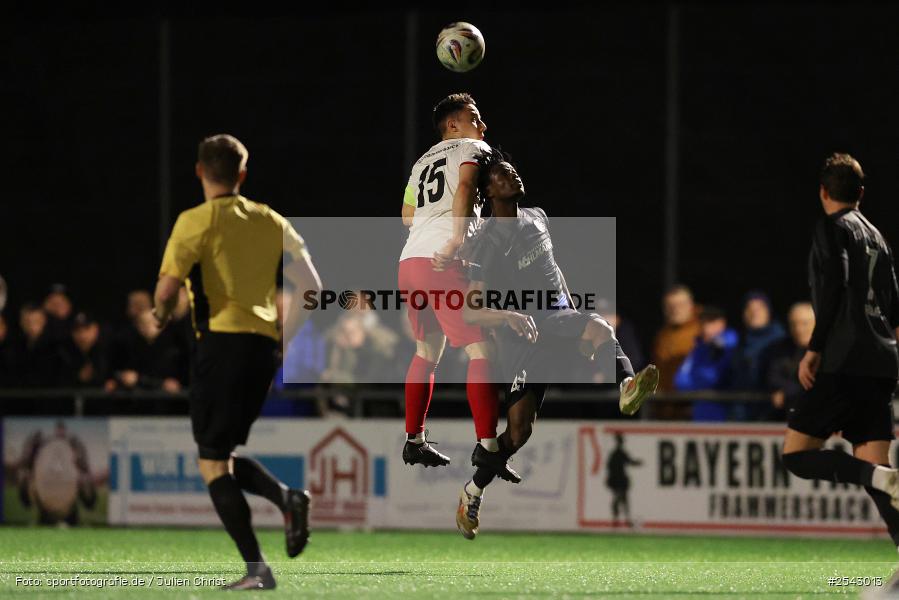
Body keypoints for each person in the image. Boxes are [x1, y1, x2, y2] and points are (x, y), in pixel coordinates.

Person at [454, 149, 658, 539]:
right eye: (501, 175)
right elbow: (470, 311)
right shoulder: (488, 244)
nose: (512, 175)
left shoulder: (538, 216)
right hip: (524, 334)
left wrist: (573, 313)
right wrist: (509, 316)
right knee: (518, 432)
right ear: (488, 192)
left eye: (512, 170)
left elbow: (555, 268)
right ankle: (473, 489)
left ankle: (627, 386)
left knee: (598, 328)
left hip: (555, 319)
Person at [153, 134, 322, 590]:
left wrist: (161, 312)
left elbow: (167, 292)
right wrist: (285, 340)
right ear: (242, 174)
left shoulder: (195, 220)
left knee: (211, 462)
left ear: (199, 172)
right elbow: (312, 286)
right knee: (221, 454)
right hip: (261, 349)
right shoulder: (269, 219)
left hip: (220, 346)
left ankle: (258, 566)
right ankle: (285, 499)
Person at [780, 154, 899, 565]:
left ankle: (875, 475)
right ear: (861, 194)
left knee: (796, 456)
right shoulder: (878, 238)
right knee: (882, 479)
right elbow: (895, 310)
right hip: (881, 364)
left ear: (823, 192)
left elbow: (834, 285)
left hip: (843, 360)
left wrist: (813, 349)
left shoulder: (832, 228)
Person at [398, 93, 505, 472]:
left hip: (409, 261)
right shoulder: (473, 146)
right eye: (475, 117)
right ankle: (488, 446)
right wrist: (457, 236)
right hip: (442, 259)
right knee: (481, 349)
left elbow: (407, 214)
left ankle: (414, 440)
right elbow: (463, 188)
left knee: (426, 352)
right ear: (453, 125)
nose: (483, 125)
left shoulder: (421, 161)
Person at [727, 290, 786, 420]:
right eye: (749, 309)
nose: (754, 313)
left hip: (768, 414)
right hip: (740, 413)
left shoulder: (780, 341)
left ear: (768, 312)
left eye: (759, 308)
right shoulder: (739, 341)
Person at [673, 306, 738, 421]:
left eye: (711, 322)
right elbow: (680, 381)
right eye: (703, 322)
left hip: (728, 416)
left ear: (722, 323)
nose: (706, 327)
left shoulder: (731, 346)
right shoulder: (699, 348)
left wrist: (697, 385)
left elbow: (714, 379)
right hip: (701, 415)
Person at [764, 302, 814, 421]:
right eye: (794, 324)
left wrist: (786, 392)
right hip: (785, 419)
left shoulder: (830, 350)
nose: (798, 329)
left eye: (804, 323)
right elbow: (773, 377)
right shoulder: (780, 349)